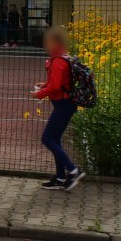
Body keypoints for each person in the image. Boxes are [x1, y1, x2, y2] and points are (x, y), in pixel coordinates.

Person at [32, 25, 85, 191]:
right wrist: (45, 85)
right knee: (55, 139)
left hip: (63, 106)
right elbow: (58, 83)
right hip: (65, 104)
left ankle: (73, 170)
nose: (45, 46)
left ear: (55, 42)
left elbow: (55, 87)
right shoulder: (62, 58)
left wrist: (39, 94)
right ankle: (61, 177)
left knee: (47, 139)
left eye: (47, 42)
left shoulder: (58, 62)